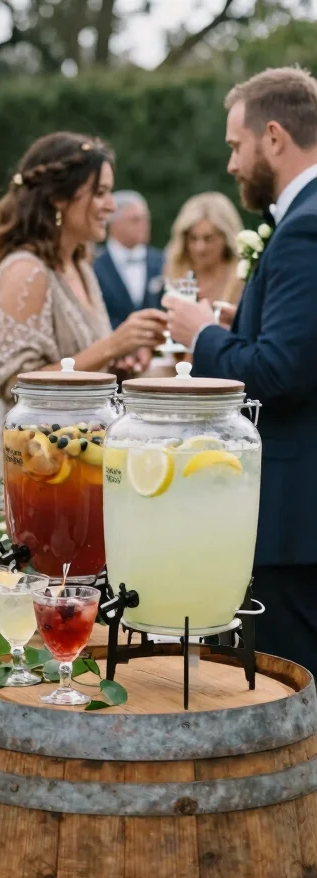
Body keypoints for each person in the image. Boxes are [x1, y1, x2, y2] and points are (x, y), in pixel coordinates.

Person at [164, 66, 317, 679]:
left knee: (296, 688)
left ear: (273, 137)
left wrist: (199, 333)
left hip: (296, 521)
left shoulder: (304, 228)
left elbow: (281, 372)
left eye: (235, 145)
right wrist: (235, 323)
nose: (230, 164)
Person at [0, 132, 167, 483]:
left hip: (79, 464)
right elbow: (15, 384)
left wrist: (117, 365)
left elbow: (78, 367)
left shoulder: (80, 266)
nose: (111, 206)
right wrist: (112, 345)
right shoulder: (26, 272)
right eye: (100, 193)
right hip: (34, 471)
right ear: (58, 198)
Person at [94, 190, 164, 330]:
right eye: (136, 220)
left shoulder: (162, 261)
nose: (144, 226)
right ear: (114, 224)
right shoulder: (94, 265)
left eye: (146, 219)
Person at [165, 192, 244, 307]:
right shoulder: (174, 276)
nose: (200, 248)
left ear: (226, 238)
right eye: (193, 238)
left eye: (208, 239)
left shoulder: (242, 279)